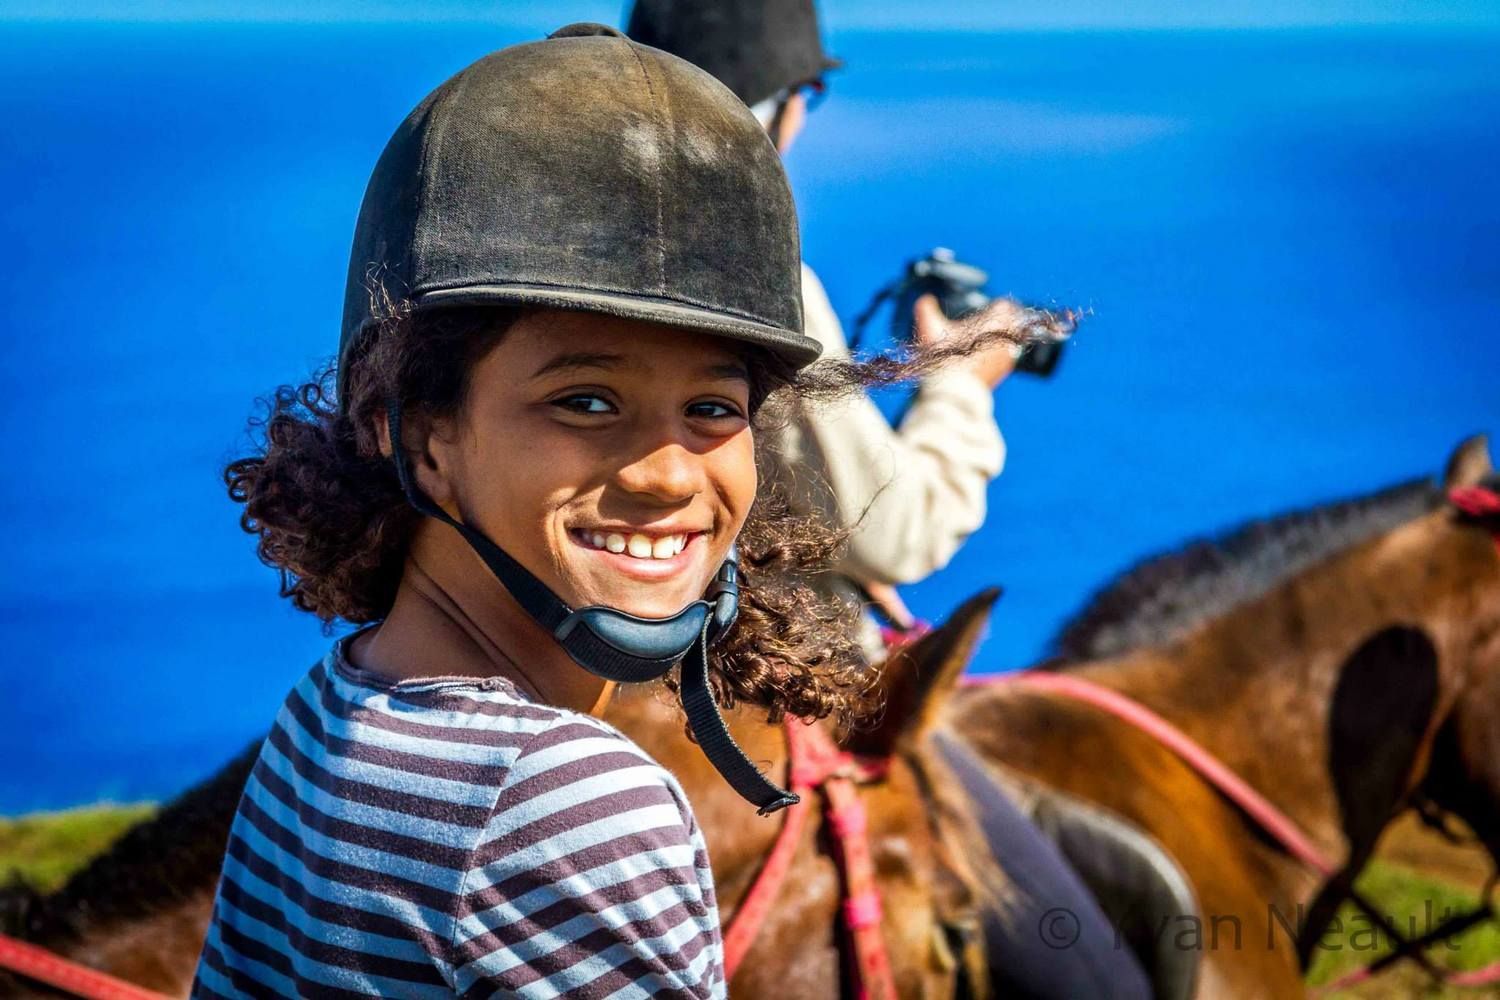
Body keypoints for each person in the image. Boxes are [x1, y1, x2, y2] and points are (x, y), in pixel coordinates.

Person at [190, 24, 893, 997]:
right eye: (587, 401)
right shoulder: (567, 800)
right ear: (422, 434)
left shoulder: (324, 711)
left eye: (713, 409)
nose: (667, 475)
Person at [626, 0, 1071, 654]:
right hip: (724, 673)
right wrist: (960, 379)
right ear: (775, 101)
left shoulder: (600, 239)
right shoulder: (758, 273)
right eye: (808, 91)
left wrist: (829, 561)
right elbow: (895, 533)